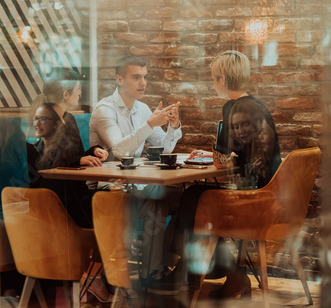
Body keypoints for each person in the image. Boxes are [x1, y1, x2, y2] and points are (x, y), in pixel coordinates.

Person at [176, 50, 281, 298]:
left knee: (192, 197)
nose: (213, 83)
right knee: (195, 197)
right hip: (270, 192)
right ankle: (208, 271)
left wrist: (218, 154)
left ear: (222, 79)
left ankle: (224, 273)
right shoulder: (255, 103)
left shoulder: (232, 106)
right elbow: (239, 149)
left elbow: (221, 161)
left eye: (214, 78)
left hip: (253, 197)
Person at [89, 55, 183, 292]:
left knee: (177, 198)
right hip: (106, 191)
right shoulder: (104, 109)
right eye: (136, 77)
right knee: (157, 204)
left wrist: (173, 126)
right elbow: (119, 149)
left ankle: (155, 267)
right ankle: (151, 272)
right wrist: (149, 125)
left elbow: (163, 147)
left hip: (132, 186)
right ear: (119, 79)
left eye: (145, 77)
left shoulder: (142, 109)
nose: (143, 83)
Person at [27, 103, 103, 228]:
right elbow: (51, 168)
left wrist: (93, 151)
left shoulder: (59, 146)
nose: (37, 123)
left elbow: (66, 159)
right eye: (36, 118)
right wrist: (78, 160)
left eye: (43, 119)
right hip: (55, 207)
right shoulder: (34, 149)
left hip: (64, 202)